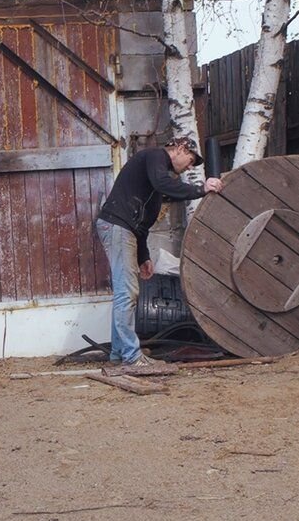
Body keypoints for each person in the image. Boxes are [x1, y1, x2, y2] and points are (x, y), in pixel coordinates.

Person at [94, 136, 223, 366]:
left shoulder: (155, 180)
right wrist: (201, 189)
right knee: (127, 292)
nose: (190, 166)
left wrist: (144, 256)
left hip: (125, 229)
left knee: (126, 291)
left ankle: (118, 354)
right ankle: (132, 357)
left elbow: (142, 223)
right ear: (181, 149)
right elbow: (163, 185)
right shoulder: (156, 157)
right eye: (191, 160)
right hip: (117, 226)